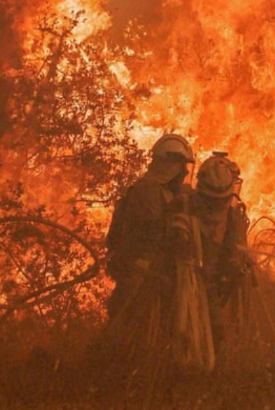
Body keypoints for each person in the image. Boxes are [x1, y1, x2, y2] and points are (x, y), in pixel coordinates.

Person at [100, 133, 196, 371]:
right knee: (126, 325)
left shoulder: (163, 190)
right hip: (138, 271)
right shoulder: (147, 192)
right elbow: (149, 234)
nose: (184, 172)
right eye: (180, 166)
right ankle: (102, 373)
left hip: (149, 269)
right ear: (167, 164)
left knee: (152, 332)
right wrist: (175, 236)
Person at [190, 151, 254, 362]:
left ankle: (210, 380)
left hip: (210, 286)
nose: (215, 207)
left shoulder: (231, 217)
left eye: (220, 201)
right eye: (211, 201)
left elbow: (233, 248)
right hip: (184, 284)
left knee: (215, 333)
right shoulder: (184, 207)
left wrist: (235, 264)